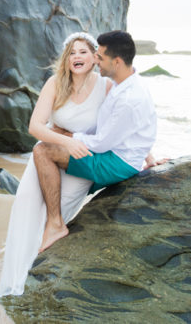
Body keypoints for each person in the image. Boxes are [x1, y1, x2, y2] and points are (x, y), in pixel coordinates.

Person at [0, 32, 112, 297]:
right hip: (48, 153)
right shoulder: (56, 83)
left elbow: (126, 121)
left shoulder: (105, 87)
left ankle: (37, 275)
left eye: (83, 52)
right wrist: (65, 140)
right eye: (71, 52)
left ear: (95, 57)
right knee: (25, 205)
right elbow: (35, 127)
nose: (76, 57)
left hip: (79, 160)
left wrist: (149, 155)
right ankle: (14, 280)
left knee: (58, 210)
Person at [33, 30, 158, 253]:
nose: (96, 61)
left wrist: (67, 137)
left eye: (99, 57)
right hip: (121, 154)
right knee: (55, 142)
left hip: (116, 161)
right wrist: (149, 156)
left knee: (43, 151)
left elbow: (100, 144)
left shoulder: (128, 98)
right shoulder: (124, 83)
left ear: (117, 62)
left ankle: (56, 225)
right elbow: (135, 129)